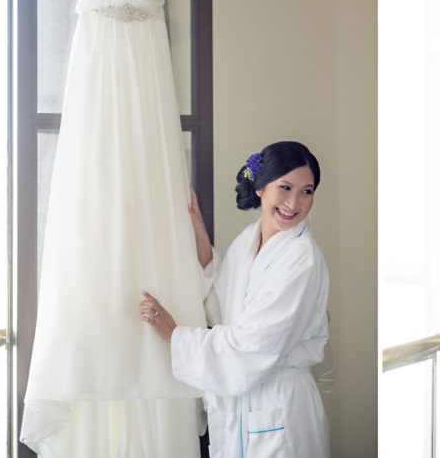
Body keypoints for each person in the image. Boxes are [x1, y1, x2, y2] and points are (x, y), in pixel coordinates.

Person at [140, 141, 331, 458]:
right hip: (247, 409)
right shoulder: (248, 240)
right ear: (261, 188)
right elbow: (226, 307)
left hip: (281, 409)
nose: (294, 202)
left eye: (306, 191)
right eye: (285, 187)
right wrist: (201, 239)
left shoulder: (302, 260)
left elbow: (252, 345)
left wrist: (175, 337)